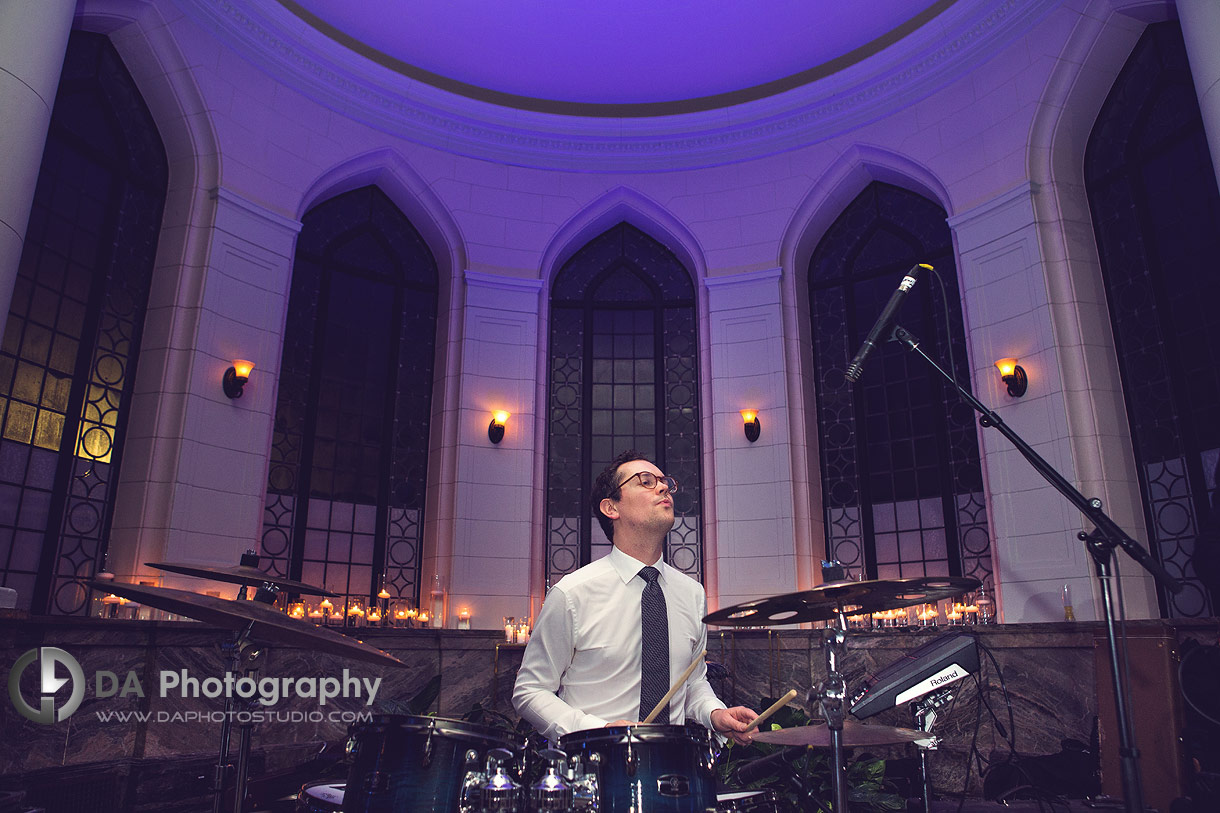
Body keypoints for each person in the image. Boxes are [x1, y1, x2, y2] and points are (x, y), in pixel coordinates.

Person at [513, 450, 758, 744]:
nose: (663, 487)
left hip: (673, 770)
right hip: (593, 771)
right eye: (645, 481)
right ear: (611, 508)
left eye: (664, 481)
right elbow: (530, 690)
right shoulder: (572, 593)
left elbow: (692, 682)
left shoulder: (692, 594)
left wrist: (715, 713)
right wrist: (594, 731)